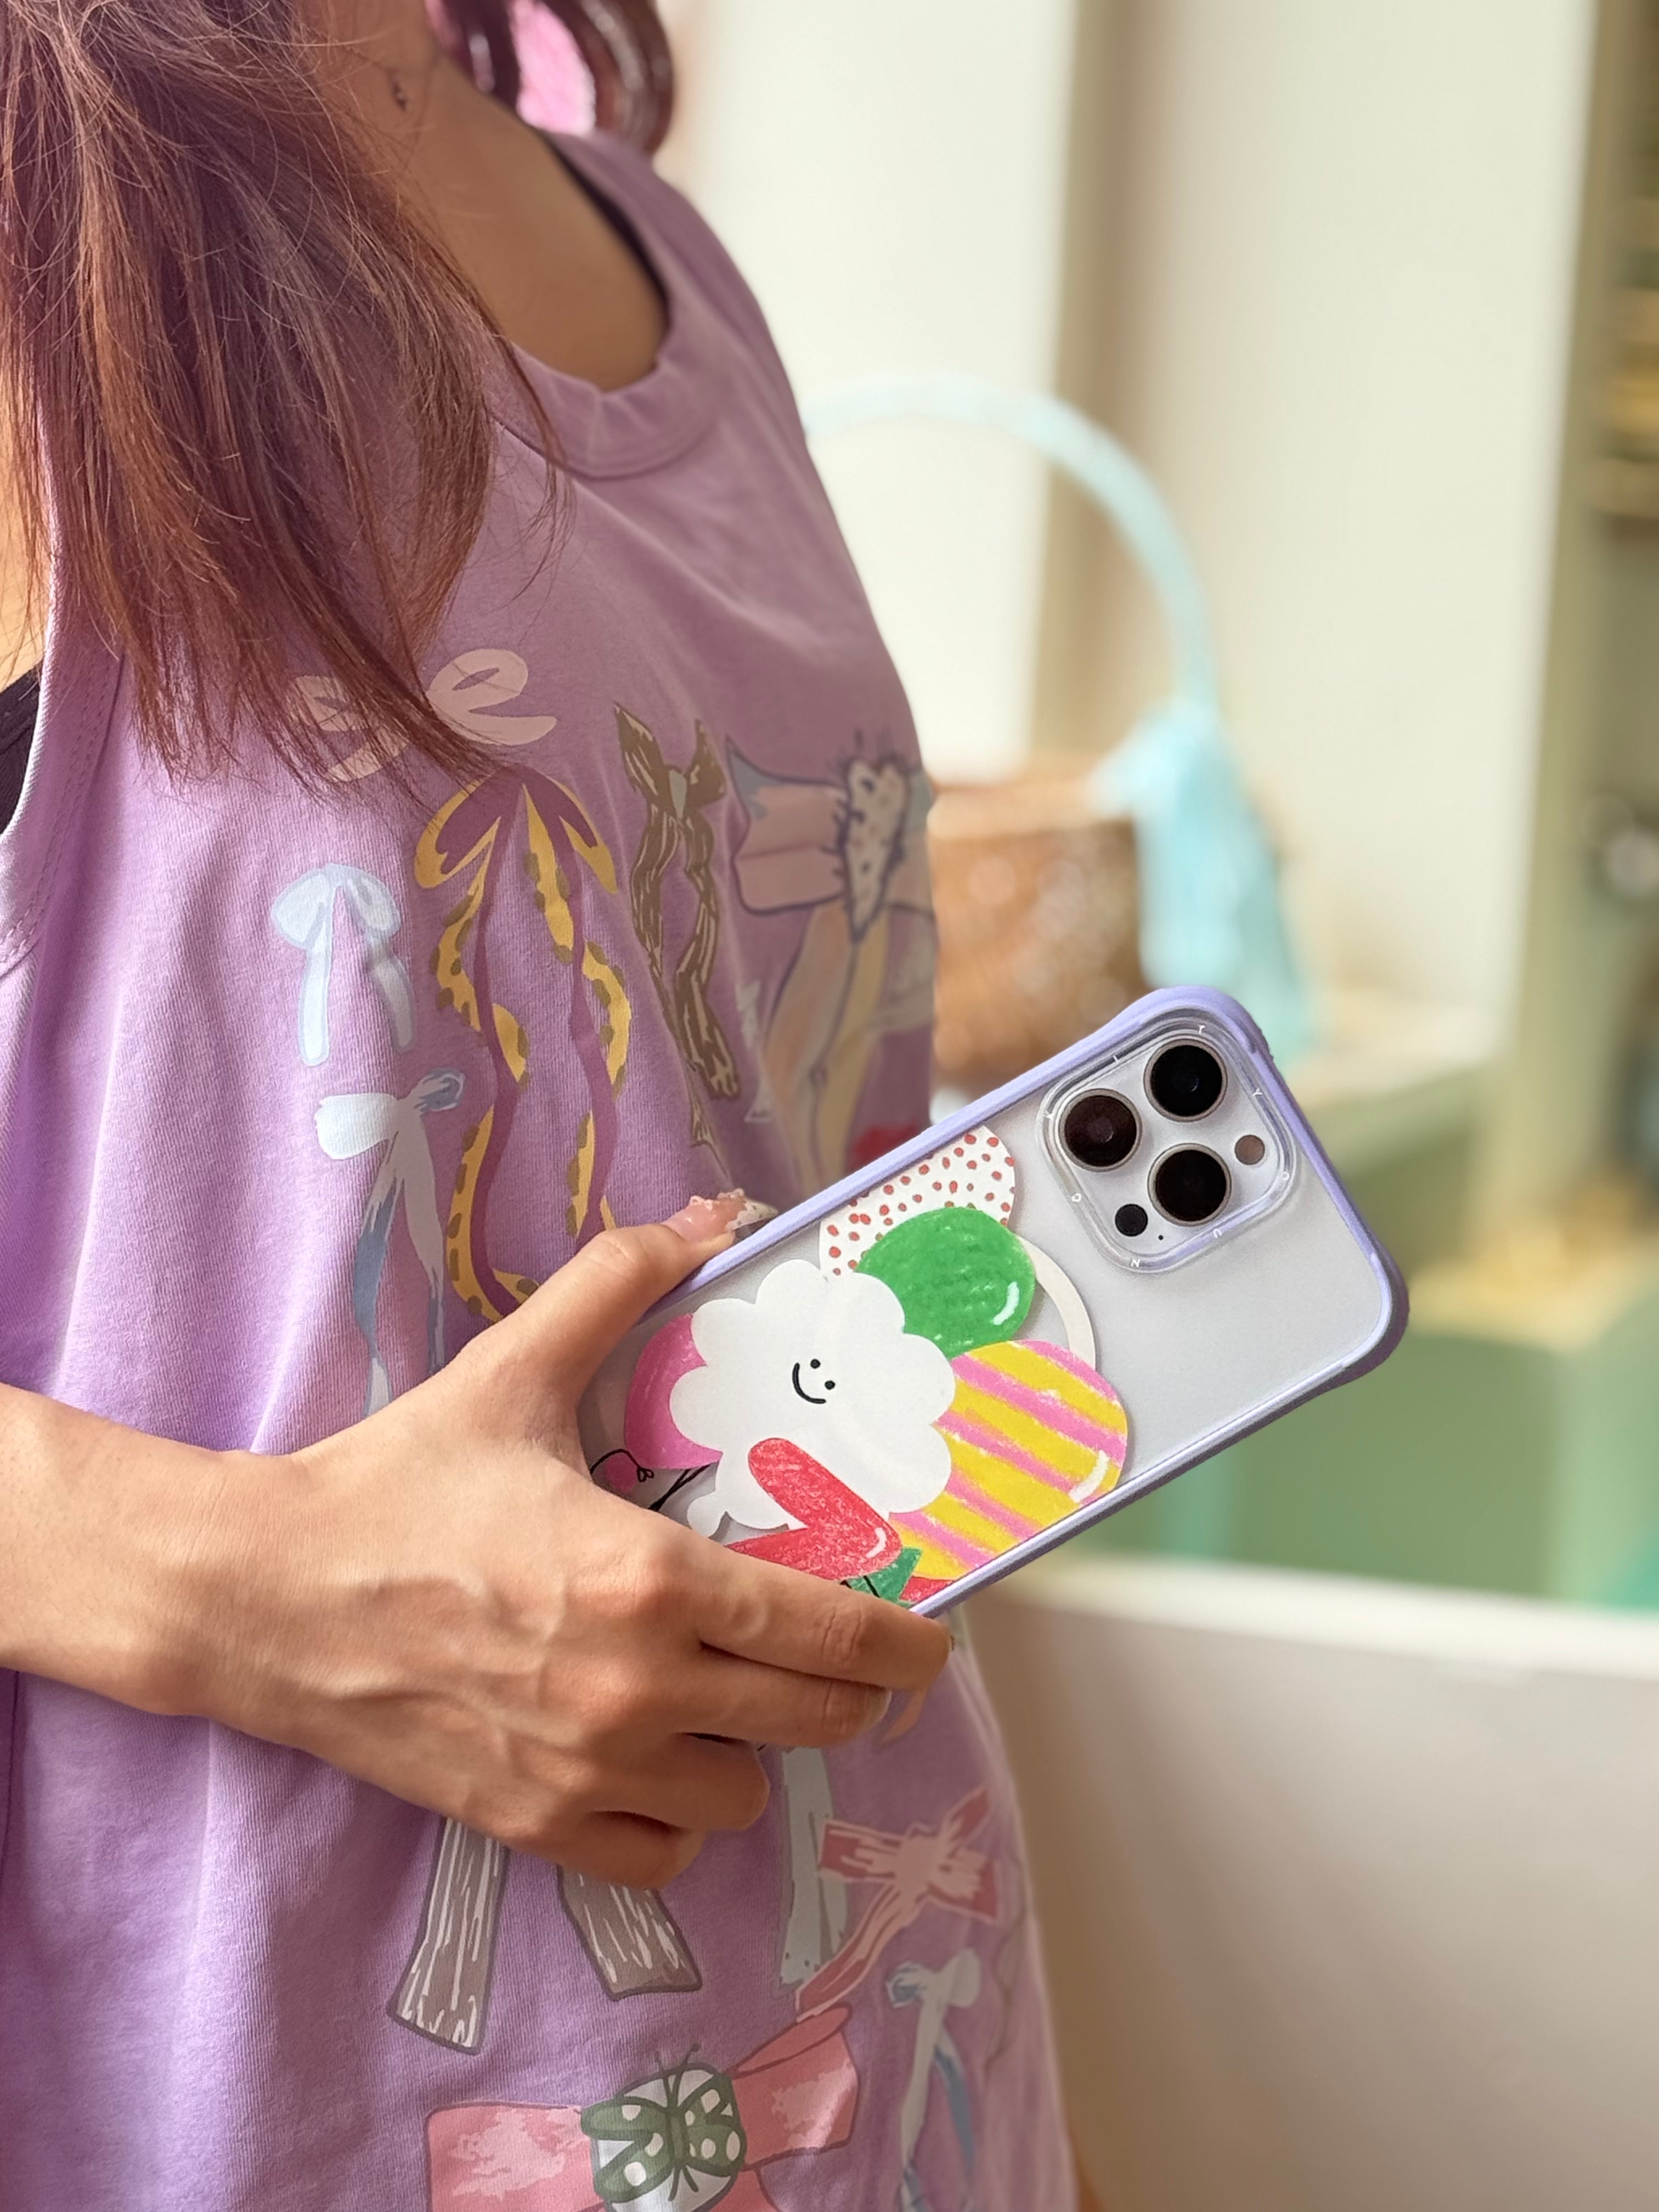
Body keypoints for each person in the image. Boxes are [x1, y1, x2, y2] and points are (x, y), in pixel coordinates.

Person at [0, 3, 1095, 2205]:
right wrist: (251, 1592)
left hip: (891, 2065)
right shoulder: (61, 255)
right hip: (262, 2105)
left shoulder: (655, 253)